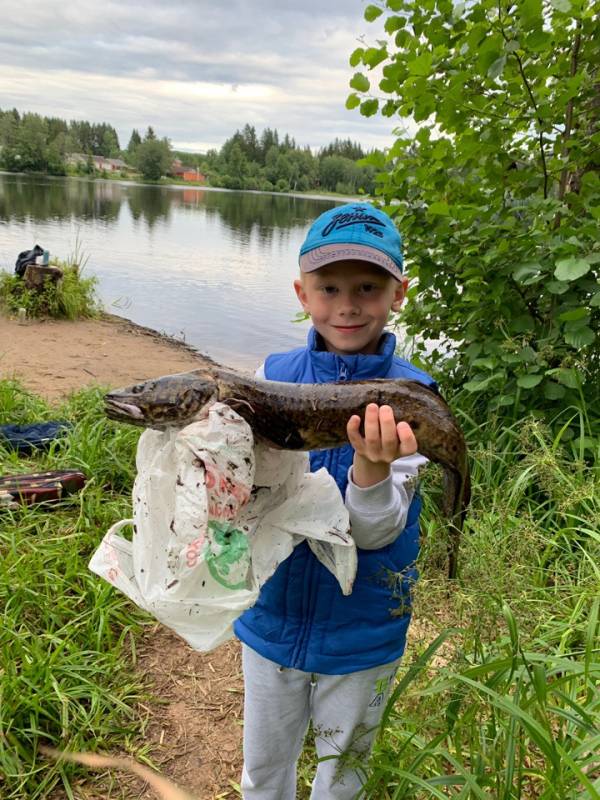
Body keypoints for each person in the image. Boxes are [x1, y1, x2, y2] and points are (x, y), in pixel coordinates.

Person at [233, 202, 437, 799]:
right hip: (271, 617)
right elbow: (247, 491)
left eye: (368, 287)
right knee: (263, 771)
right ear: (302, 292)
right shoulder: (270, 373)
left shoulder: (414, 396)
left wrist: (373, 469)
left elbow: (374, 535)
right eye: (329, 287)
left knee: (341, 777)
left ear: (399, 293)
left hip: (362, 630)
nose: (347, 305)